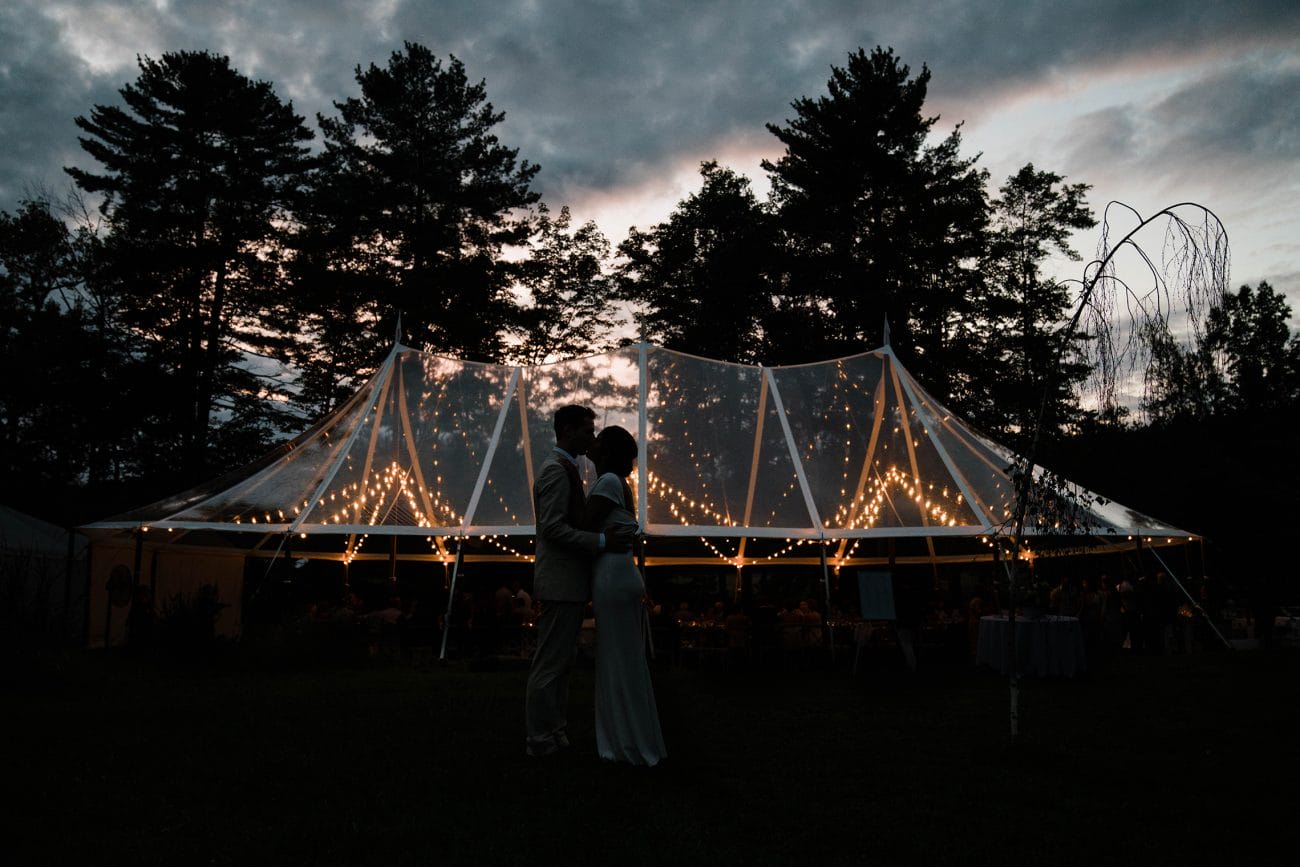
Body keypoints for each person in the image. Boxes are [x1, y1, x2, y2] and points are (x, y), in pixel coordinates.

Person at [525, 405, 635, 758]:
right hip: (559, 581)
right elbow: (553, 529)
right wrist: (603, 542)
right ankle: (540, 737)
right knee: (550, 663)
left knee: (563, 662)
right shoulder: (556, 471)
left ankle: (554, 729)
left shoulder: (567, 469)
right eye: (588, 431)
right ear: (568, 430)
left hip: (568, 582)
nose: (592, 438)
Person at [583, 425, 666, 766]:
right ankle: (634, 737)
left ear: (606, 451)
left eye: (599, 439)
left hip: (612, 577)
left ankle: (624, 744)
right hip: (623, 575)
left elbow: (582, 527)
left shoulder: (607, 483)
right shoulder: (620, 484)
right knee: (627, 660)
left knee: (617, 661)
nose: (593, 441)